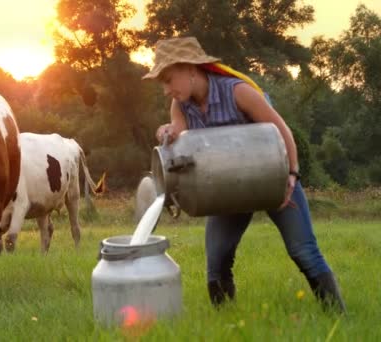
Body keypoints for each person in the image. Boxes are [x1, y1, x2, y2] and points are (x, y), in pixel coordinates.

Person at [142, 36, 346, 312]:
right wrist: (165, 131)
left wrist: (293, 174)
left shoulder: (236, 91)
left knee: (304, 251)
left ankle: (337, 316)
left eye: (168, 79)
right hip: (230, 189)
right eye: (162, 83)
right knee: (216, 262)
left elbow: (281, 130)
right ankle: (228, 325)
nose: (166, 89)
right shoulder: (181, 104)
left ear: (191, 69)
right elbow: (178, 130)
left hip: (275, 180)